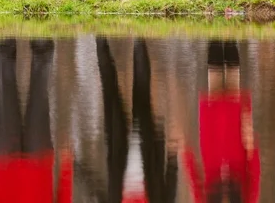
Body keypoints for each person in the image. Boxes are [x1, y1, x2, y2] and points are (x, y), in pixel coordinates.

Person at [0, 40, 73, 203]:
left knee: (5, 74)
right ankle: (42, 31)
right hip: (40, 163)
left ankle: (5, 30)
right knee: (41, 81)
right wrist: (66, 168)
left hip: (3, 162)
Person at [96, 37, 179, 203]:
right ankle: (138, 41)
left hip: (119, 155)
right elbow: (169, 192)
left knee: (110, 91)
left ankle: (100, 40)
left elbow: (101, 194)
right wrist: (172, 157)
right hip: (148, 152)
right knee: (142, 93)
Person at [183, 41, 258, 203]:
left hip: (212, 143)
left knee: (214, 78)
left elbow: (195, 184)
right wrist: (252, 144)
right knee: (232, 78)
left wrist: (186, 155)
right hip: (237, 142)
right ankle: (230, 34)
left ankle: (214, 35)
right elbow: (255, 175)